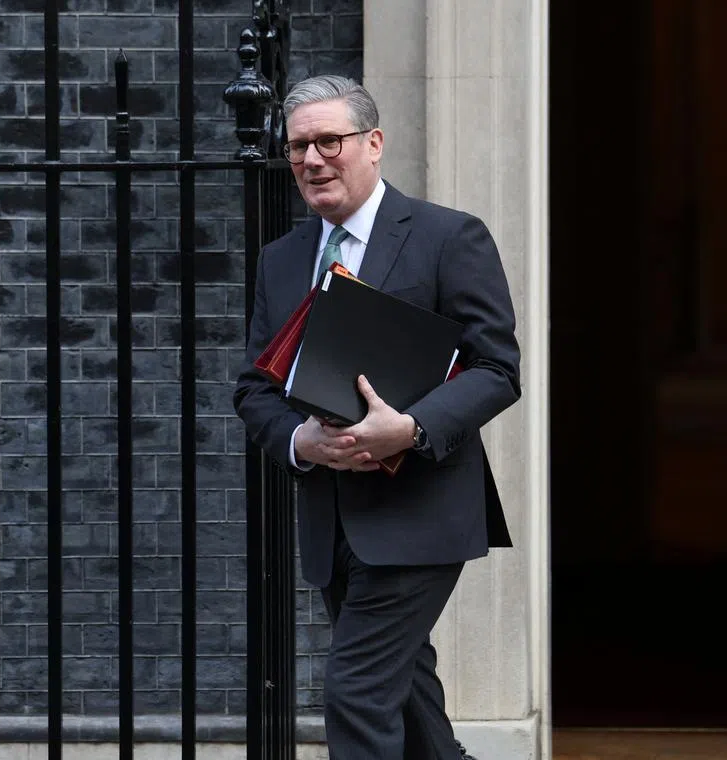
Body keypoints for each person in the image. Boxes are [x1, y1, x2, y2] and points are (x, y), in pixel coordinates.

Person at [233, 75, 521, 760]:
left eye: (329, 141)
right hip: (333, 523)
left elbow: (497, 368)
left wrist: (412, 429)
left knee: (356, 693)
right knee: (408, 700)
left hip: (422, 512)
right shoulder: (282, 260)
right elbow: (253, 390)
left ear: (373, 143)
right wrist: (301, 440)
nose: (311, 159)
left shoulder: (449, 237)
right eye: (298, 145)